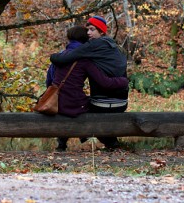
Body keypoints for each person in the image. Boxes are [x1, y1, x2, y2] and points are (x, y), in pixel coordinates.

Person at [49, 16, 129, 150]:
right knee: (81, 106)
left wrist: (52, 57)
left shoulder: (92, 46)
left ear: (102, 32)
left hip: (103, 103)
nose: (88, 33)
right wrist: (125, 81)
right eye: (88, 30)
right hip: (122, 103)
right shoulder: (115, 47)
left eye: (92, 30)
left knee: (82, 109)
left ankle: (108, 143)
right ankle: (111, 143)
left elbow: (65, 59)